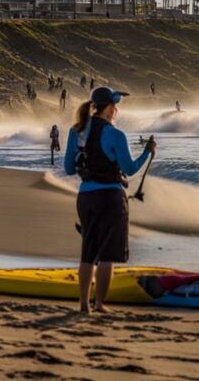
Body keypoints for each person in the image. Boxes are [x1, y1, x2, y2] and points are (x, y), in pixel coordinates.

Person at [65, 87, 155, 314]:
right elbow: (130, 169)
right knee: (107, 257)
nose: (116, 110)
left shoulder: (75, 132)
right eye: (115, 105)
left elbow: (68, 168)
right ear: (109, 107)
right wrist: (147, 152)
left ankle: (84, 305)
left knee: (88, 253)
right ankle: (99, 304)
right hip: (111, 198)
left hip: (85, 197)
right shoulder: (115, 134)